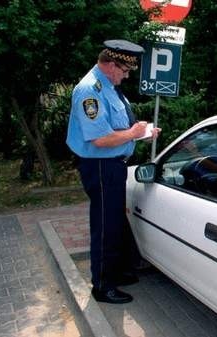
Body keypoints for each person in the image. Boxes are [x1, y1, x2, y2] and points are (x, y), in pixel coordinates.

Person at [66, 39, 160, 304]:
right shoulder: (90, 90)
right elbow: (100, 140)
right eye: (124, 70)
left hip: (112, 165)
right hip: (101, 166)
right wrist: (132, 133)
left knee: (115, 222)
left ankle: (115, 273)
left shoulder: (108, 86)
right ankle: (103, 286)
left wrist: (141, 134)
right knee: (105, 225)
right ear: (109, 65)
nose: (126, 75)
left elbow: (117, 127)